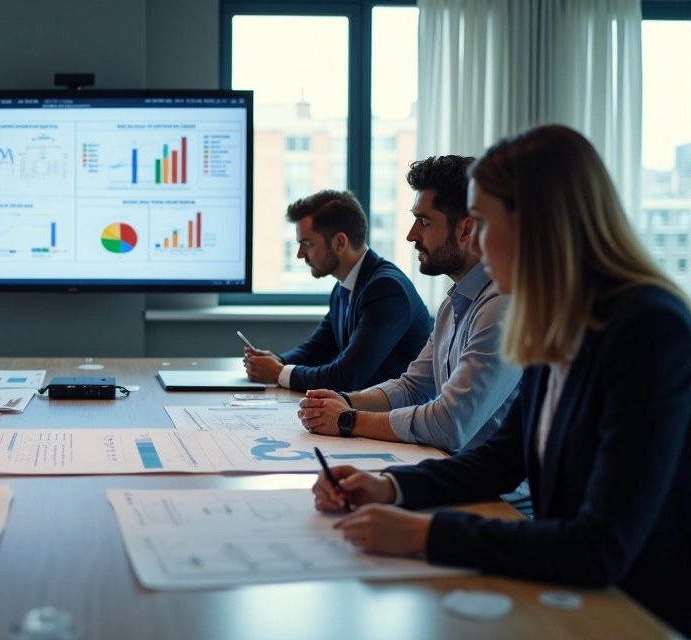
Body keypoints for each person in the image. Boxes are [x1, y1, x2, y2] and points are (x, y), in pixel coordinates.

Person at [312, 124, 691, 636]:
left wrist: (426, 534)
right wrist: (387, 487)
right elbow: (499, 459)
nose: (479, 246)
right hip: (568, 595)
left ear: (537, 225)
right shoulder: (558, 317)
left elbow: (599, 546)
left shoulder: (646, 327)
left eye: (485, 225)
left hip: (634, 615)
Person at [296, 156, 522, 454]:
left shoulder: (501, 307)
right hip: (449, 470)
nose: (411, 235)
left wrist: (348, 419)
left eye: (424, 222)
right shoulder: (455, 301)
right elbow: (412, 387)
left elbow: (449, 425)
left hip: (494, 495)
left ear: (466, 230)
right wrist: (344, 401)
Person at [243, 190, 431, 391]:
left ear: (340, 242)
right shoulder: (344, 286)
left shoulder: (386, 289)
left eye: (307, 244)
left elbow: (346, 377)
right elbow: (317, 349)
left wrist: (278, 373)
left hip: (396, 416)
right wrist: (276, 360)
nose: (300, 254)